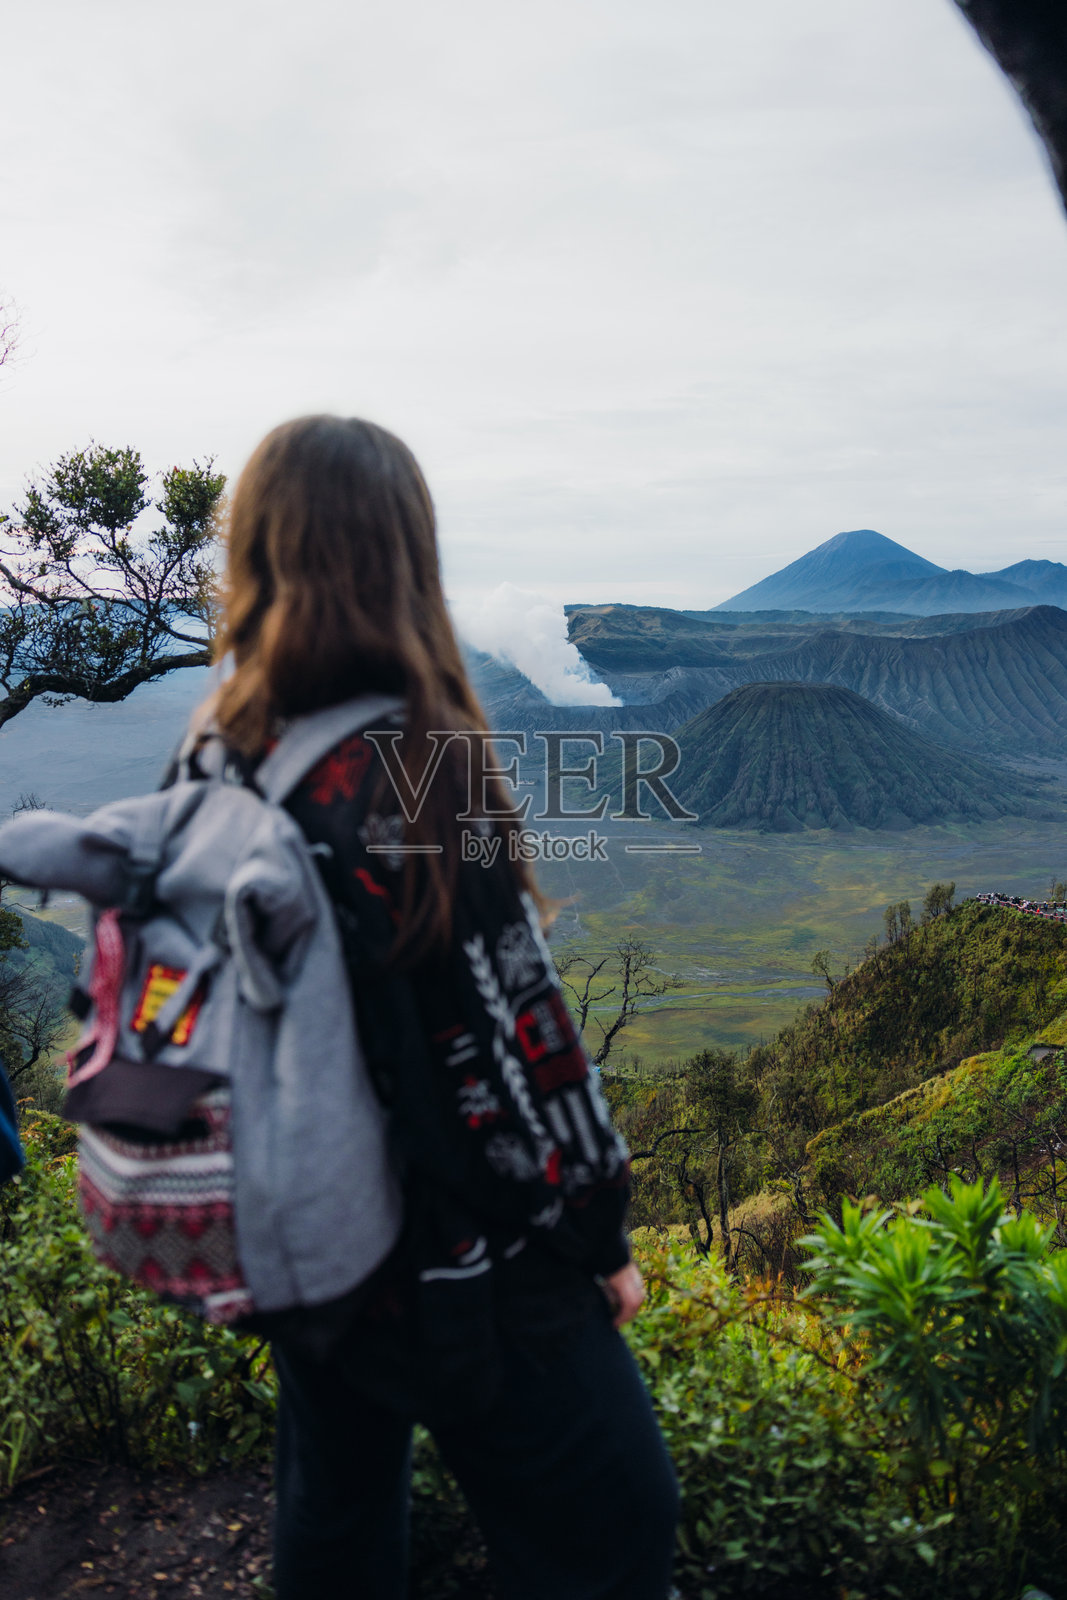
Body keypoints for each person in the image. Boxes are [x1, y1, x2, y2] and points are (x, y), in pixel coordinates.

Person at [204, 414, 679, 1600]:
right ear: (403, 558)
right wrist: (596, 1238)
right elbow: (524, 1027)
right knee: (612, 1525)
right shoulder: (414, 759)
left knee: (338, 1529)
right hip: (463, 1253)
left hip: (307, 1236)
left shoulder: (222, 756)